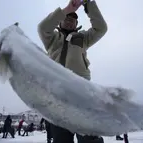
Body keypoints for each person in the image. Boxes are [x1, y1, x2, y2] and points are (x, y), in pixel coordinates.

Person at [38, 0, 107, 142]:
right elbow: (42, 27)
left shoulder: (83, 38)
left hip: (81, 93)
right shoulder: (52, 38)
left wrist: (88, 5)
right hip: (57, 96)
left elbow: (101, 28)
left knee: (89, 138)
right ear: (59, 22)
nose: (69, 21)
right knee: (61, 139)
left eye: (73, 20)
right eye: (66, 18)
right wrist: (68, 8)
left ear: (77, 25)